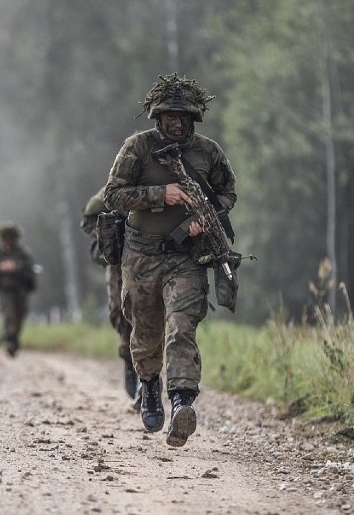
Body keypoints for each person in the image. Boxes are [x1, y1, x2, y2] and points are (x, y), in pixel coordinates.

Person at [102, 73, 236, 446]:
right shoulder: (137, 148)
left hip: (187, 257)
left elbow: (228, 194)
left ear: (193, 119)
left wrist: (200, 221)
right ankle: (149, 386)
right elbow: (114, 196)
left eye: (183, 117)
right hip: (141, 255)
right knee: (145, 331)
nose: (176, 122)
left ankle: (181, 402)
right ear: (157, 118)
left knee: (181, 326)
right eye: (168, 116)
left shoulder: (208, 153)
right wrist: (163, 194)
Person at [80, 194, 139, 408]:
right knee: (119, 312)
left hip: (146, 260)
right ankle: (130, 363)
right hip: (116, 264)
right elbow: (88, 221)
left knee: (147, 315)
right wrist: (108, 233)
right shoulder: (107, 194)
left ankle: (146, 378)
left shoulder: (151, 185)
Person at [0, 222, 36, 357]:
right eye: (6, 237)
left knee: (20, 313)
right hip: (3, 289)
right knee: (8, 313)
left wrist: (16, 266)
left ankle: (14, 338)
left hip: (20, 288)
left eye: (11, 237)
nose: (9, 240)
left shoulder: (23, 252)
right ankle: (10, 340)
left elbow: (30, 266)